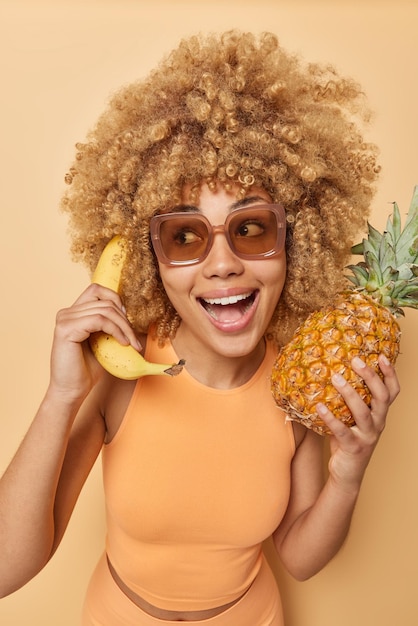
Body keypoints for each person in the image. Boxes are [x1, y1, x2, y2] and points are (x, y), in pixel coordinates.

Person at [0, 31, 399, 625]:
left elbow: (300, 557)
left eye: (252, 228)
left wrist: (348, 472)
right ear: (150, 261)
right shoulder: (122, 374)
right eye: (184, 236)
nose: (222, 263)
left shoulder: (298, 384)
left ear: (296, 241)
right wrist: (62, 395)